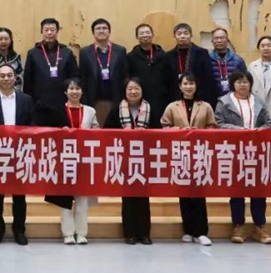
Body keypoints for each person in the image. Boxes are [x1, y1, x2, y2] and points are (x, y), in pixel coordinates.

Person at [215, 70, 271, 244]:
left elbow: (269, 123)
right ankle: (238, 225)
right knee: (237, 191)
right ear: (233, 84)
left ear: (250, 84)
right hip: (233, 152)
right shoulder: (224, 102)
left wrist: (259, 131)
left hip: (256, 152)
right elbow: (218, 124)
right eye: (239, 82)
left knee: (258, 191)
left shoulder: (259, 102)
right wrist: (238, 131)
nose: (242, 85)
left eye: (246, 81)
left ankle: (259, 226)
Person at [161, 72, 218, 246]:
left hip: (200, 153)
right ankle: (188, 230)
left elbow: (213, 127)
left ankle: (201, 232)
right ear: (180, 86)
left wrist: (200, 132)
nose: (188, 87)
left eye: (191, 83)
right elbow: (164, 127)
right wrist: (179, 131)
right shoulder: (172, 106)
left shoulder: (205, 106)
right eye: (185, 84)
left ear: (196, 85)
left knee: (199, 193)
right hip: (180, 153)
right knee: (184, 193)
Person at [0, 63, 35, 246]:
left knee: (19, 196)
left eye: (9, 75)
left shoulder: (26, 100)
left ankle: (19, 230)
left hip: (20, 153)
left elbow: (32, 127)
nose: (6, 79)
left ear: (15, 78)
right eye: (2, 76)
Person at [105, 77, 156, 245]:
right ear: (125, 91)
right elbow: (106, 132)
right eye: (130, 89)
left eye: (136, 88)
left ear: (142, 90)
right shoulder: (116, 109)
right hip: (124, 158)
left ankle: (144, 233)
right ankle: (130, 233)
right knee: (127, 197)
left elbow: (159, 132)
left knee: (143, 197)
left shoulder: (150, 108)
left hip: (145, 157)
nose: (133, 92)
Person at [57, 77, 99, 245]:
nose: (74, 92)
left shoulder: (90, 111)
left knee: (82, 199)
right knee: (65, 198)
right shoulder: (59, 110)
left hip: (84, 158)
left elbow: (97, 131)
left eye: (77, 88)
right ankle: (68, 233)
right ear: (65, 92)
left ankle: (81, 233)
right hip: (64, 158)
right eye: (71, 88)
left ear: (82, 92)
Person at [78, 18, 127, 126]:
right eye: (98, 29)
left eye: (104, 28)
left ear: (109, 31)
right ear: (93, 32)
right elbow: (83, 77)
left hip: (115, 98)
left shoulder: (120, 50)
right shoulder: (85, 52)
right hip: (93, 99)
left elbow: (124, 75)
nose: (101, 31)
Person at [23, 18, 78, 108]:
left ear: (57, 32)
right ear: (41, 32)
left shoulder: (66, 52)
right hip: (39, 103)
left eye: (52, 30)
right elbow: (28, 81)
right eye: (46, 30)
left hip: (63, 102)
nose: (49, 33)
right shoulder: (33, 53)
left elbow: (74, 77)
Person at [126, 23, 172, 118]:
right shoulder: (130, 57)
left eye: (147, 32)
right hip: (139, 98)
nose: (145, 35)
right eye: (141, 33)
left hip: (161, 98)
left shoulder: (164, 56)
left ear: (152, 35)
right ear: (137, 37)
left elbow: (170, 77)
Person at [165, 23, 215, 105]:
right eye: (179, 34)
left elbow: (208, 78)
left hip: (198, 96)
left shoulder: (201, 53)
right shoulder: (169, 55)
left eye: (186, 33)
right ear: (175, 36)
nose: (182, 36)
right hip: (176, 97)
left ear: (191, 35)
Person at [209, 27, 246, 99]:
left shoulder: (238, 60)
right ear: (212, 41)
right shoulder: (207, 59)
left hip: (234, 99)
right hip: (213, 99)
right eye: (216, 38)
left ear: (227, 40)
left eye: (222, 38)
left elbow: (244, 80)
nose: (219, 40)